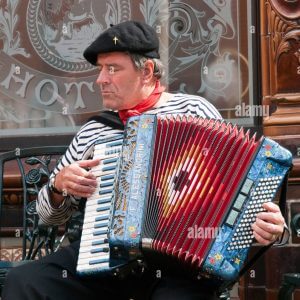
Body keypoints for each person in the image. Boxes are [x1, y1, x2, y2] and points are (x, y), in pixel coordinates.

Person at [2, 20, 286, 300]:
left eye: (112, 69)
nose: (100, 79)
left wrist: (271, 225)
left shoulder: (194, 110)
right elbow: (48, 217)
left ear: (147, 71)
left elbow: (235, 187)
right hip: (103, 262)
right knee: (24, 281)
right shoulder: (94, 131)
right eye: (100, 69)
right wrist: (57, 188)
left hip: (180, 269)